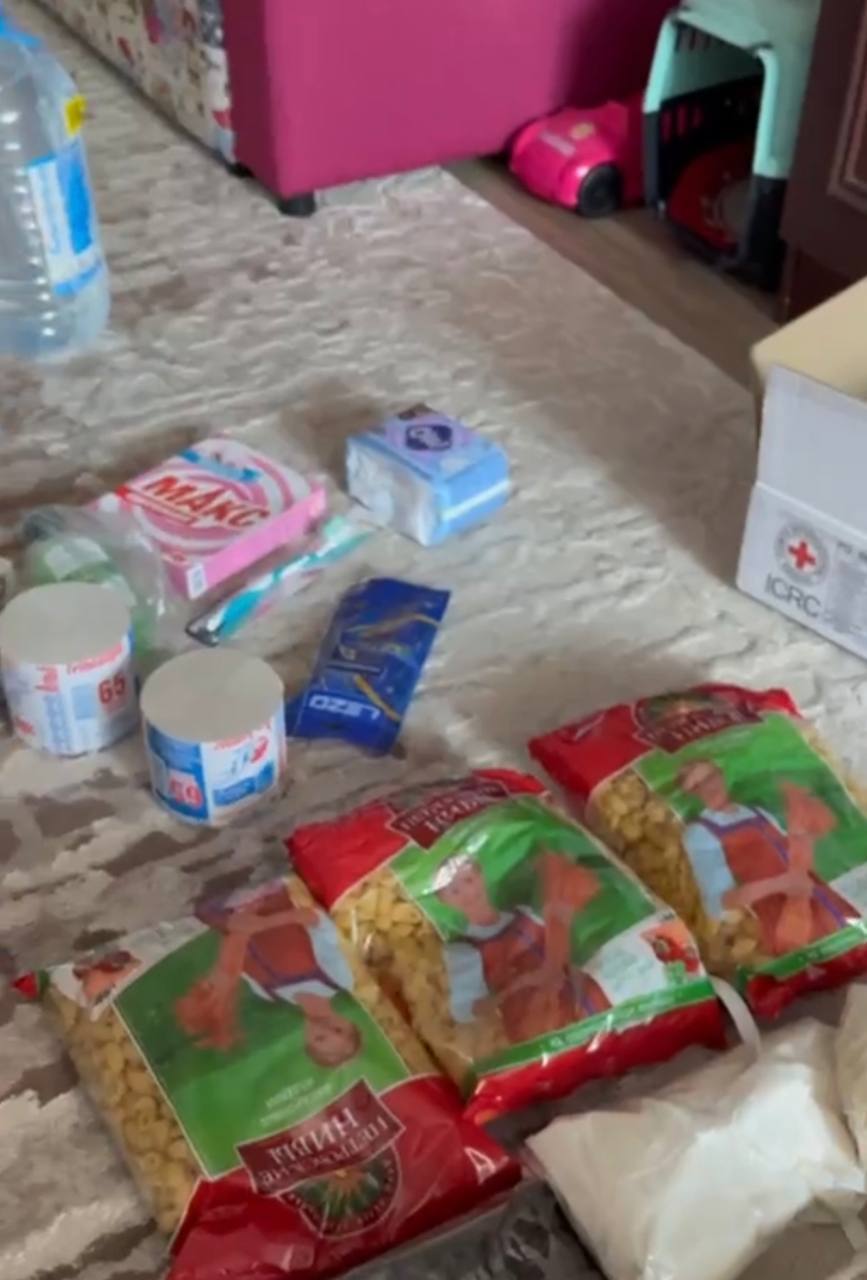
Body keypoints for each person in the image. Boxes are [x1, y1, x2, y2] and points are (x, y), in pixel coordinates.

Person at [433, 847, 609, 1045]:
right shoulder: (464, 950)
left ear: (481, 877)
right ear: (444, 901)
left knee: (613, 1038)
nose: (468, 893)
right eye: (454, 891)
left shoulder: (525, 913)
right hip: (535, 1023)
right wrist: (516, 987)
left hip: (581, 999)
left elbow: (564, 944)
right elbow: (465, 1011)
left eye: (469, 881)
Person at [175, 883, 361, 1067]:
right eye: (339, 1030)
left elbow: (233, 940)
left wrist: (225, 922)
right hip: (260, 884)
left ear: (307, 1039)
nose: (325, 1027)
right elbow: (316, 919)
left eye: (320, 1038)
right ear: (348, 1022)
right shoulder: (337, 979)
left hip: (212, 903)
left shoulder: (267, 993)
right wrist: (264, 923)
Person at [679, 760, 851, 956]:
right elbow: (720, 902)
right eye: (696, 785)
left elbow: (790, 851)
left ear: (721, 775)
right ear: (690, 793)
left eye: (710, 777)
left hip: (820, 895)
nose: (709, 787)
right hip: (781, 915)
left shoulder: (756, 812)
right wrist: (781, 884)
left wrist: (808, 832)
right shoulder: (699, 834)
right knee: (822, 958)